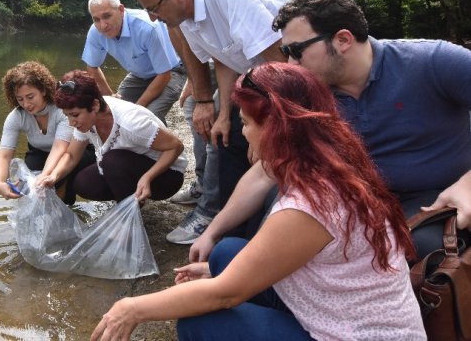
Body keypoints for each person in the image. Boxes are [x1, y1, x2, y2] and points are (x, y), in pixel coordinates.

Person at [91, 63, 425, 341]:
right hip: (341, 302)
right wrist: (215, 253)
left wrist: (131, 308)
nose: (244, 133)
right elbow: (261, 178)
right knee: (225, 253)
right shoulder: (325, 155)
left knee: (201, 322)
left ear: (278, 128)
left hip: (356, 333)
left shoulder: (310, 203)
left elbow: (226, 293)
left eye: (248, 123)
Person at [190, 0, 471, 263]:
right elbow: (267, 172)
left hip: (434, 200)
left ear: (343, 40)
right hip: (353, 201)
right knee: (275, 208)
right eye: (286, 51)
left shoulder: (432, 61)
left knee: (418, 253)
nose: (290, 63)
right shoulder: (308, 95)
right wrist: (214, 231)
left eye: (297, 51)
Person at [132, 0, 294, 239]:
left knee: (271, 152)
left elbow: (281, 65)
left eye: (153, 8)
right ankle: (235, 228)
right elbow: (224, 59)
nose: (152, 18)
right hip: (261, 81)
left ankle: (269, 228)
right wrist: (221, 115)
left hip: (303, 82)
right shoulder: (186, 18)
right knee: (226, 135)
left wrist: (267, 129)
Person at [101, 0, 222, 244]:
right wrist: (194, 83)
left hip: (227, 53)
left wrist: (204, 93)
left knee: (213, 124)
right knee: (195, 113)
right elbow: (179, 33)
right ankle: (203, 188)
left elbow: (188, 30)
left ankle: (210, 209)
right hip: (208, 54)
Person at [34, 70, 185, 203]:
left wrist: (148, 177)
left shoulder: (131, 122)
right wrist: (53, 176)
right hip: (131, 166)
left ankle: (128, 210)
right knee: (83, 183)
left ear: (94, 105)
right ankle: (130, 200)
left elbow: (176, 146)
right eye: (67, 116)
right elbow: (72, 155)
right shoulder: (85, 120)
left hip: (167, 177)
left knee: (111, 161)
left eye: (74, 115)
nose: (71, 122)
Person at [0, 61, 94, 205]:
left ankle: (63, 203)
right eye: (20, 99)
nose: (26, 104)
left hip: (74, 153)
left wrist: (45, 177)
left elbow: (60, 148)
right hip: (40, 153)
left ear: (44, 91)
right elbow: (4, 155)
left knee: (54, 182)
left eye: (30, 97)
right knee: (27, 180)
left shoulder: (61, 110)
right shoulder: (16, 117)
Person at [82, 0, 185, 124]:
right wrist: (110, 96)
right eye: (96, 19)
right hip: (139, 75)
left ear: (121, 10)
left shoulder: (147, 27)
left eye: (107, 16)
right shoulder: (95, 32)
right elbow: (92, 67)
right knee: (115, 111)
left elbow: (164, 74)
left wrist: (137, 109)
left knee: (148, 116)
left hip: (172, 72)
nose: (103, 25)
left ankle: (168, 144)